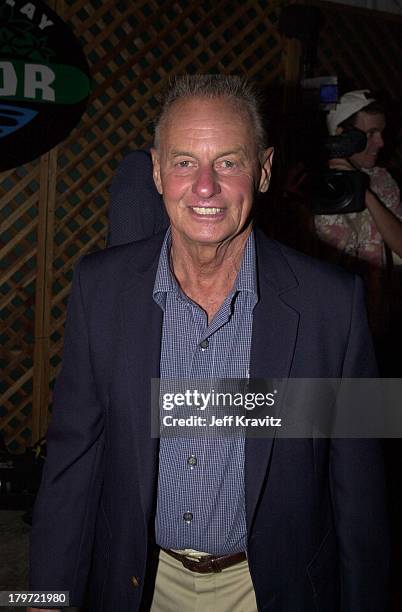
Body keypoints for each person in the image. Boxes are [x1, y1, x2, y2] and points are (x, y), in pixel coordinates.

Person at [29, 75, 389, 612]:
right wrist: (43, 597)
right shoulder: (99, 287)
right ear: (155, 170)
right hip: (139, 583)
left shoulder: (334, 303)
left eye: (228, 162)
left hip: (270, 590)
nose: (204, 187)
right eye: (183, 162)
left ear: (263, 171)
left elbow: (362, 492)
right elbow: (72, 458)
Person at [314, 90, 402, 342]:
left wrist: (366, 194)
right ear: (342, 135)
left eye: (382, 133)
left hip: (374, 319)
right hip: (325, 319)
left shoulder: (381, 180)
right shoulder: (310, 181)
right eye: (370, 134)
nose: (381, 143)